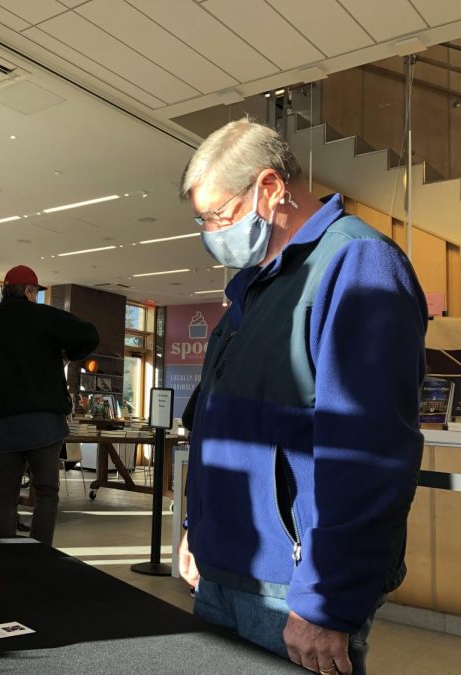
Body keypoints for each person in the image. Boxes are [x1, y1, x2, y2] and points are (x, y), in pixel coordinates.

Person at [176, 119, 426, 675]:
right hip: (226, 566)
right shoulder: (257, 286)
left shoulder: (356, 264)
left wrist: (326, 600)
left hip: (289, 586)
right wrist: (200, 530)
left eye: (218, 216)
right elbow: (224, 428)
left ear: (269, 188)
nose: (212, 232)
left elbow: (369, 453)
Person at [0, 265, 99, 546]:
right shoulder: (43, 317)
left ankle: (4, 557)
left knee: (4, 495)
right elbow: (90, 334)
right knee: (46, 492)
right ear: (30, 291)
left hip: (3, 424)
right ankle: (40, 556)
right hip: (43, 424)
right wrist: (68, 355)